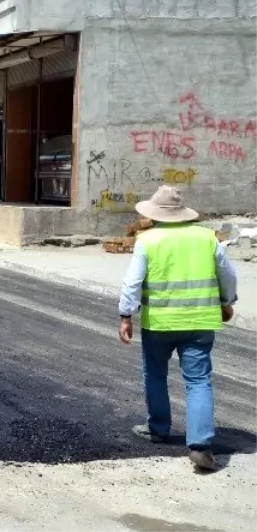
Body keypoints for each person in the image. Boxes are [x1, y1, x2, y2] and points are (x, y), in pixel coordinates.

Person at [118, 185, 238, 473]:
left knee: (156, 375)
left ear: (155, 215)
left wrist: (125, 315)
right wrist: (227, 301)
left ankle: (158, 428)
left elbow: (132, 283)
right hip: (199, 322)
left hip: (159, 323)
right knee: (198, 381)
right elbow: (228, 275)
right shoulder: (207, 238)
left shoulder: (148, 240)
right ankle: (199, 446)